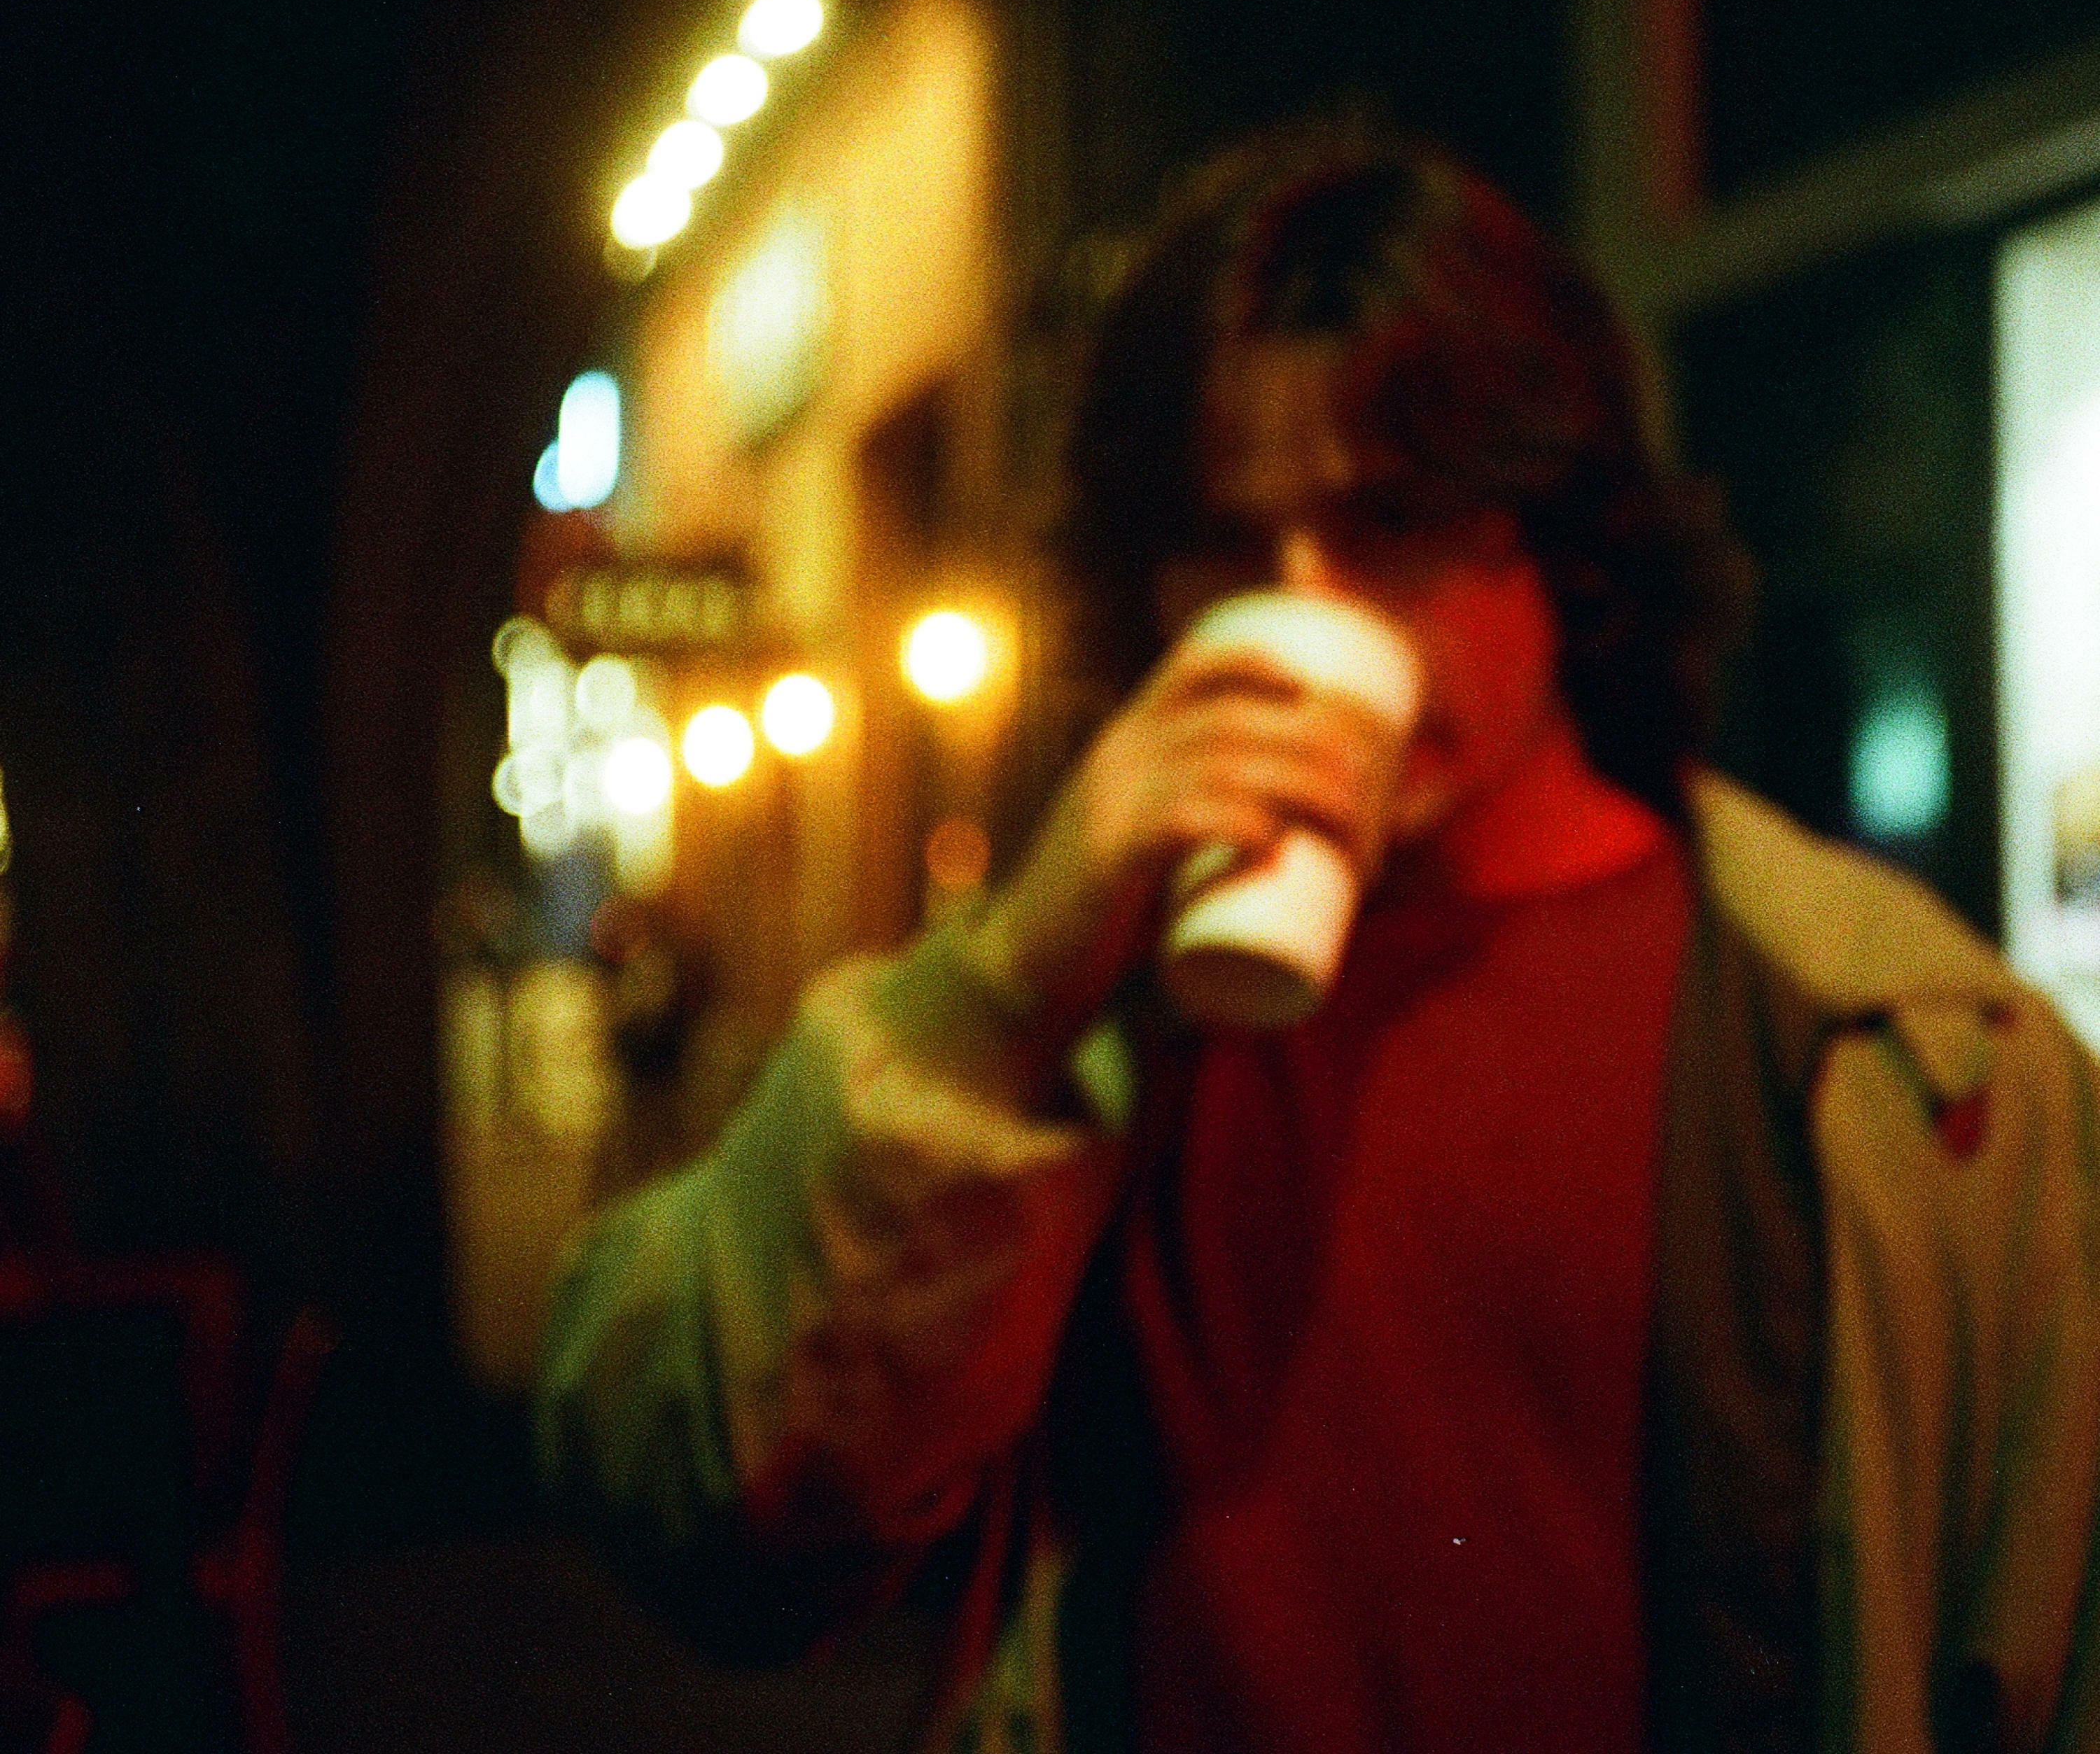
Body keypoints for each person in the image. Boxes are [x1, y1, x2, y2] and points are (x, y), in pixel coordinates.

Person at [537, 124, 2100, 1752]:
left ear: (1555, 536)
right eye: (1230, 549)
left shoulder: (1907, 1063)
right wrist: (1002, 992)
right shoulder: (1084, 1019)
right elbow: (697, 1508)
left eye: (1392, 524)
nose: (1308, 611)